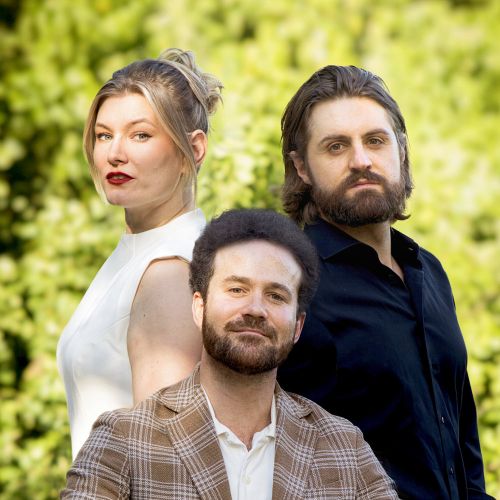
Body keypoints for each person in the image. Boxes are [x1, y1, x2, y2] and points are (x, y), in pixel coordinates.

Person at [61, 209, 398, 499]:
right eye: (237, 289)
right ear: (199, 307)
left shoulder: (345, 448)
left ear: (298, 326)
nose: (255, 309)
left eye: (276, 296)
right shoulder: (124, 439)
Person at [276, 65, 493, 500]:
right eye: (336, 146)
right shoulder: (287, 282)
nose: (361, 161)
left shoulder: (428, 271)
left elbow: (462, 443)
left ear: (401, 150)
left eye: (376, 140)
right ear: (302, 167)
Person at [57, 48, 223, 459]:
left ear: (194, 149)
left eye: (140, 135)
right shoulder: (141, 251)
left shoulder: (169, 271)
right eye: (104, 135)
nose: (115, 153)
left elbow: (164, 460)